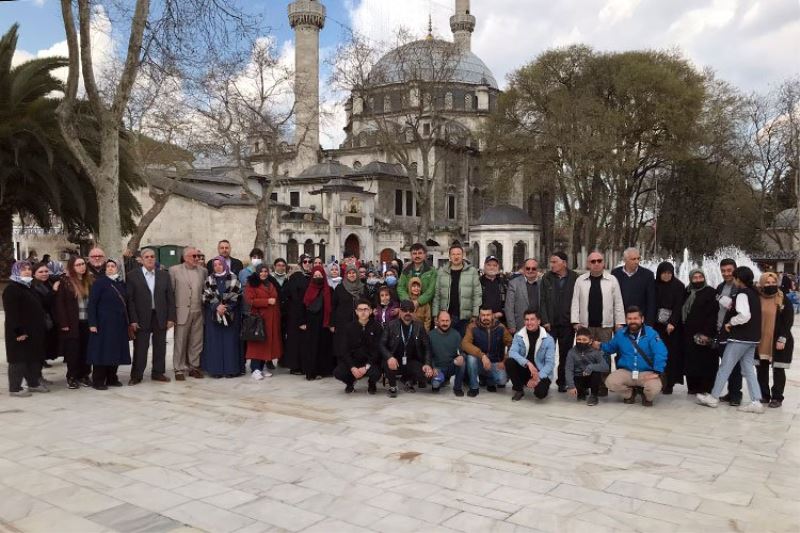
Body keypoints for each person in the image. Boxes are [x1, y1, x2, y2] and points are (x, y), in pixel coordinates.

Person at [697, 267, 764, 413]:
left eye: (734, 277)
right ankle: (756, 401)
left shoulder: (742, 294)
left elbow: (744, 315)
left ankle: (713, 397)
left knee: (725, 367)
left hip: (739, 338)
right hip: (752, 339)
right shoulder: (754, 293)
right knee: (748, 370)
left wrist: (730, 322)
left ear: (738, 279)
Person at [598, 306, 667, 407]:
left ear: (642, 319)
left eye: (635, 318)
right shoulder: (621, 334)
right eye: (629, 319)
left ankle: (646, 396)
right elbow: (610, 347)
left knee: (653, 389)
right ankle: (629, 394)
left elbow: (661, 352)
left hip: (646, 372)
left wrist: (657, 372)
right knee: (610, 382)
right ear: (626, 320)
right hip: (627, 371)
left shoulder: (651, 333)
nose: (632, 321)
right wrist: (598, 345)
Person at [126, 248, 175, 385]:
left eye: (152, 256)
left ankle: (158, 372)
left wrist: (171, 318)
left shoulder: (164, 275)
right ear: (141, 259)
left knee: (160, 346)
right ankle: (136, 375)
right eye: (147, 257)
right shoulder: (132, 276)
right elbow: (130, 300)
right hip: (141, 317)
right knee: (141, 347)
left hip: (160, 316)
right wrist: (133, 320)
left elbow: (170, 298)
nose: (150, 259)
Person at [4, 261, 49, 396]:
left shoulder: (29, 287)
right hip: (19, 332)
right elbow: (12, 313)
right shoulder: (12, 289)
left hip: (33, 332)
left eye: (29, 269)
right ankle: (15, 388)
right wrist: (19, 331)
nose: (28, 272)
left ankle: (33, 383)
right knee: (18, 360)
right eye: (24, 270)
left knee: (33, 358)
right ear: (17, 271)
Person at [86, 259, 131, 390]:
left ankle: (112, 377)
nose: (111, 268)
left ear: (117, 268)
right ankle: (98, 380)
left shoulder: (120, 283)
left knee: (115, 351)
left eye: (113, 266)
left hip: (118, 324)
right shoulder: (100, 283)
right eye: (108, 266)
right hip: (103, 324)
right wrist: (92, 323)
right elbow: (92, 303)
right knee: (101, 352)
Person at [540, 252, 579, 392]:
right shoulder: (547, 278)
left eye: (555, 262)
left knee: (565, 354)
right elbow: (542, 301)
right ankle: (544, 380)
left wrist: (575, 320)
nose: (552, 264)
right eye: (551, 262)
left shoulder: (575, 277)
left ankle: (562, 381)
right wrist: (545, 320)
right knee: (547, 353)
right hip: (550, 324)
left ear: (564, 263)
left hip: (567, 323)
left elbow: (578, 300)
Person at [380, 300, 435, 397]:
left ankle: (407, 380)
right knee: (388, 362)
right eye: (405, 310)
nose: (407, 313)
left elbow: (427, 347)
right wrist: (389, 357)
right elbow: (381, 344)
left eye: (410, 310)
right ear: (400, 312)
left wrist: (427, 364)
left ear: (414, 312)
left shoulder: (419, 326)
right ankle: (393, 386)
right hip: (394, 360)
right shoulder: (391, 325)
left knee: (428, 377)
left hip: (411, 361)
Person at [755, 272, 794, 408]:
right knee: (761, 369)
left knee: (778, 369)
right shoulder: (757, 297)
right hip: (760, 340)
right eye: (767, 282)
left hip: (779, 340)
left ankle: (777, 397)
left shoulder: (783, 298)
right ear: (761, 283)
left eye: (773, 282)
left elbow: (788, 321)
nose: (770, 285)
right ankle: (764, 395)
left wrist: (782, 339)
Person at [55, 256, 93, 389]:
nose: (81, 267)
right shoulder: (65, 282)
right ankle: (72, 377)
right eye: (78, 265)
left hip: (88, 322)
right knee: (73, 352)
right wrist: (64, 323)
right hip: (73, 323)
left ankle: (84, 375)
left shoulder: (89, 280)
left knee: (87, 350)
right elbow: (60, 304)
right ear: (72, 267)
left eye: (83, 264)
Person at [170, 247, 207, 381]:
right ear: (185, 257)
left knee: (196, 341)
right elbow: (171, 293)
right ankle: (179, 368)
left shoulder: (203, 271)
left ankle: (194, 367)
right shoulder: (174, 270)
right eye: (194, 256)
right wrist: (171, 314)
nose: (197, 259)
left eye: (198, 256)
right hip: (182, 311)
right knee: (180, 341)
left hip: (199, 311)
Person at [571, 252, 625, 343]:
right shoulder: (580, 280)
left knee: (604, 355)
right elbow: (575, 302)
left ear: (603, 263)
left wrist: (619, 322)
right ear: (588, 264)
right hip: (585, 326)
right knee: (585, 355)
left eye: (599, 261)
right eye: (593, 261)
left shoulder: (612, 280)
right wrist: (575, 321)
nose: (596, 263)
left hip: (605, 327)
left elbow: (618, 302)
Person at [202, 256, 242, 378]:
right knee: (215, 344)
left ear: (225, 265)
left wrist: (225, 307)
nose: (218, 267)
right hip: (214, 316)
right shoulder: (209, 279)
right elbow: (205, 296)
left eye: (220, 264)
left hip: (230, 315)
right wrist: (216, 307)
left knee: (230, 343)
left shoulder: (233, 278)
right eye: (215, 265)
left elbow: (237, 296)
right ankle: (216, 370)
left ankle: (231, 370)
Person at [682, 269, 719, 395]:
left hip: (704, 333)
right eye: (695, 278)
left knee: (706, 361)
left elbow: (713, 314)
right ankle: (693, 387)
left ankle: (706, 388)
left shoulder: (710, 292)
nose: (698, 280)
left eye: (700, 277)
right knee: (691, 360)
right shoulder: (687, 292)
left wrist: (706, 333)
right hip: (688, 334)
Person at [333, 298, 383, 394]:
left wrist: (366, 367)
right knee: (338, 372)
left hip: (370, 362)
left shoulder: (377, 327)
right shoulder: (349, 327)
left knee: (376, 373)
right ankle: (350, 383)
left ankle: (372, 384)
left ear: (371, 311)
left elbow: (377, 350)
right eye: (360, 310)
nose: (363, 312)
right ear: (356, 311)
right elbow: (344, 350)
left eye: (366, 309)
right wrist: (352, 367)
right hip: (354, 361)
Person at [461, 306, 513, 397]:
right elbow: (465, 344)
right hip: (480, 362)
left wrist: (505, 360)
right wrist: (482, 356)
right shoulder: (472, 326)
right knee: (471, 358)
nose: (485, 317)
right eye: (483, 315)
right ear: (479, 316)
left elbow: (512, 344)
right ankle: (474, 387)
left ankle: (489, 380)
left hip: (494, 362)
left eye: (488, 315)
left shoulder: (500, 327)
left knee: (502, 380)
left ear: (493, 315)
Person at [506, 309, 555, 401]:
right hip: (526, 369)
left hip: (541, 371)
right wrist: (528, 363)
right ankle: (519, 389)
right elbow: (512, 352)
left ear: (539, 321)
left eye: (532, 319)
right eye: (526, 320)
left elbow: (550, 364)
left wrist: (537, 377)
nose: (529, 322)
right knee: (509, 362)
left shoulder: (548, 339)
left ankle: (535, 383)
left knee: (540, 394)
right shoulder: (518, 335)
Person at [432, 244, 481, 336]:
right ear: (449, 256)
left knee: (463, 344)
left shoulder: (472, 271)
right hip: (447, 315)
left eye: (458, 254)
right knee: (448, 343)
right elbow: (437, 294)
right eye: (453, 254)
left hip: (466, 316)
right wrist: (435, 315)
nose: (456, 256)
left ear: (463, 255)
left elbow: (477, 294)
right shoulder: (442, 271)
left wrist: (475, 314)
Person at [244, 264, 282, 380]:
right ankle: (255, 368)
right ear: (257, 272)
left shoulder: (270, 283)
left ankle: (261, 367)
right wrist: (266, 301)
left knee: (266, 344)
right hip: (259, 319)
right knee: (257, 344)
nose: (264, 273)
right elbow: (249, 300)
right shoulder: (252, 284)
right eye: (261, 271)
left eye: (266, 271)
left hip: (271, 319)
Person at [654, 261, 685, 394]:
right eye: (664, 273)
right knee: (656, 353)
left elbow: (679, 306)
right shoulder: (654, 285)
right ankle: (657, 381)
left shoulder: (678, 286)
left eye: (669, 273)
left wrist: (672, 322)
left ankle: (669, 383)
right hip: (656, 326)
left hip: (672, 328)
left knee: (670, 355)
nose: (666, 276)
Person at [715, 258, 743, 406]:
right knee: (725, 363)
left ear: (735, 270)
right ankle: (731, 392)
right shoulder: (720, 287)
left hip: (734, 330)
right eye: (723, 271)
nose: (726, 273)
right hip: (721, 331)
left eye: (729, 271)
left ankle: (736, 394)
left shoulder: (739, 288)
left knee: (734, 364)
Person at [301, 265, 334, 380]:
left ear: (324, 276)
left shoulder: (329, 290)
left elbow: (332, 308)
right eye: (315, 276)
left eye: (320, 275)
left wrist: (331, 323)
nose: (318, 277)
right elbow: (303, 307)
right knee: (311, 347)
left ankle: (322, 371)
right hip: (312, 323)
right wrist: (303, 322)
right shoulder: (308, 289)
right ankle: (311, 372)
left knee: (323, 347)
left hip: (325, 323)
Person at [283, 254, 313, 375]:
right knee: (296, 341)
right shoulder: (296, 277)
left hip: (308, 313)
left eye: (309, 261)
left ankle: (304, 364)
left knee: (305, 341)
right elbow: (295, 298)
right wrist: (301, 319)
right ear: (301, 263)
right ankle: (295, 366)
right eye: (305, 261)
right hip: (297, 314)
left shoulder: (311, 276)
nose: (307, 263)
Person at [331, 264, 366, 366]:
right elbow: (333, 306)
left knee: (358, 344)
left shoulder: (363, 288)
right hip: (343, 322)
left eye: (354, 272)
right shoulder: (340, 288)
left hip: (359, 322)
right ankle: (343, 366)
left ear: (357, 274)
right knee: (343, 344)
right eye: (349, 273)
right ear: (346, 274)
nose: (352, 275)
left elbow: (368, 304)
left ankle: (358, 366)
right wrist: (332, 323)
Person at [611, 247, 656, 324]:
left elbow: (651, 300)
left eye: (638, 259)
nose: (637, 261)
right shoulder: (616, 273)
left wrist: (649, 322)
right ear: (625, 260)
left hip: (640, 320)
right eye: (633, 259)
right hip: (621, 320)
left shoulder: (647, 275)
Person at [565, 328, 609, 406]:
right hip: (578, 377)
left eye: (584, 340)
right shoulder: (571, 352)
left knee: (596, 373)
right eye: (579, 339)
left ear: (590, 341)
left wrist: (591, 367)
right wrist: (571, 386)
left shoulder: (596, 352)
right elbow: (568, 370)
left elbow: (605, 367)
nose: (581, 342)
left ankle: (594, 395)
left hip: (591, 378)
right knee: (579, 394)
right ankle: (582, 392)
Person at [428, 311, 466, 395]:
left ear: (450, 321)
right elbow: (428, 355)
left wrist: (461, 356)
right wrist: (433, 367)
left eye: (447, 321)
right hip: (437, 368)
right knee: (435, 385)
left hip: (450, 366)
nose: (445, 323)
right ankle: (441, 380)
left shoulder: (456, 334)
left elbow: (461, 352)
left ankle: (457, 388)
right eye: (442, 321)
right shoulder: (430, 335)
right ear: (437, 321)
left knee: (462, 362)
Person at [31, 262, 59, 371]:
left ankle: (42, 362)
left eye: (46, 271)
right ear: (34, 274)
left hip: (51, 319)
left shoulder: (49, 281)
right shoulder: (34, 286)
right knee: (41, 346)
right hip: (41, 321)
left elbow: (57, 276)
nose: (44, 274)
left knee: (47, 344)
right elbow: (44, 302)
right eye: (41, 272)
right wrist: (54, 291)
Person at [505, 258, 542, 334]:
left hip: (539, 327)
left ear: (537, 270)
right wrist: (511, 325)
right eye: (528, 268)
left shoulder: (542, 284)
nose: (530, 271)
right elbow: (509, 306)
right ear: (523, 269)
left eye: (533, 268)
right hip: (520, 326)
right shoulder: (514, 283)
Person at [397, 242, 436, 309]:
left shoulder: (431, 271)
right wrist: (408, 302)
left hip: (426, 307)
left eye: (420, 253)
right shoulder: (405, 271)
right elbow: (400, 288)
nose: (417, 256)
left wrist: (418, 302)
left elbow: (431, 290)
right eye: (414, 253)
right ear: (411, 255)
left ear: (424, 255)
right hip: (409, 308)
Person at [479, 255, 507, 324]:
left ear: (498, 267)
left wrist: (501, 313)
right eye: (489, 265)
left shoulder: (504, 283)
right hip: (482, 322)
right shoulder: (478, 283)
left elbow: (509, 303)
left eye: (495, 265)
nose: (492, 267)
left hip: (500, 321)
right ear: (484, 266)